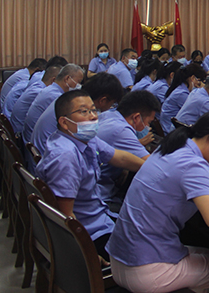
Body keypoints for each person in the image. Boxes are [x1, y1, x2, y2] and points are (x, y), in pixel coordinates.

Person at [106, 111, 209, 293]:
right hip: (145, 269)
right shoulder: (194, 163)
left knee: (208, 256)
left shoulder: (171, 148)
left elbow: (199, 189)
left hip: (120, 259)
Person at [35, 89, 145, 260]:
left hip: (99, 216)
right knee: (149, 250)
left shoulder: (84, 138)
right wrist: (87, 255)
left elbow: (120, 157)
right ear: (64, 122)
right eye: (84, 111)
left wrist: (150, 168)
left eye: (94, 110)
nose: (93, 116)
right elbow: (65, 217)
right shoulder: (65, 156)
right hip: (89, 233)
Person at [33, 72, 125, 157]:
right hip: (52, 154)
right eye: (112, 104)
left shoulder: (72, 99)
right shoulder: (73, 107)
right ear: (103, 100)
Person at [97, 90, 161, 208]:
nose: (148, 127)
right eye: (148, 122)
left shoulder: (109, 114)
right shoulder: (121, 131)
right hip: (99, 195)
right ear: (136, 117)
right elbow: (151, 166)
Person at [24, 64, 84, 145]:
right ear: (67, 79)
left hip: (34, 141)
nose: (79, 86)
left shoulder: (51, 90)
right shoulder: (56, 97)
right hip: (41, 145)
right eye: (79, 82)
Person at [11, 64, 63, 137]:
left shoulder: (37, 85)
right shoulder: (45, 93)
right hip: (21, 133)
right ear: (54, 80)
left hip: (20, 130)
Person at [159, 64, 206, 134]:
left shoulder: (180, 89)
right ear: (192, 78)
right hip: (170, 131)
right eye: (199, 81)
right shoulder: (182, 94)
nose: (199, 85)